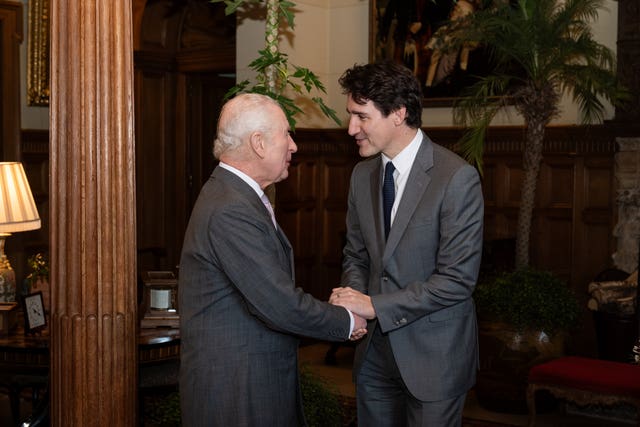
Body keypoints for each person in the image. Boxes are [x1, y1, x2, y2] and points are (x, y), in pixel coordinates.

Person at [178, 93, 367, 427]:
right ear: (259, 143)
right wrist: (348, 321)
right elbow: (279, 303)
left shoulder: (235, 195)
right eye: (286, 134)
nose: (293, 146)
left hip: (249, 382)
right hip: (237, 393)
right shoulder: (230, 208)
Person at [330, 61, 484, 426]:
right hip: (373, 356)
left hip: (434, 358)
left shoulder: (457, 179)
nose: (351, 128)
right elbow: (356, 253)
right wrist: (353, 302)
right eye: (351, 115)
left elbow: (457, 281)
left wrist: (373, 305)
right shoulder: (361, 175)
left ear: (398, 113)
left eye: (361, 116)